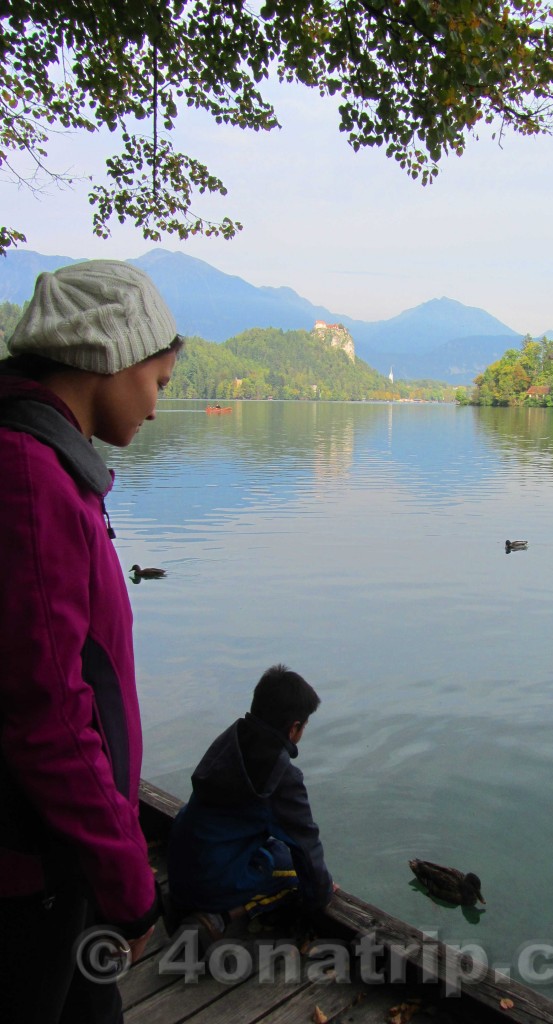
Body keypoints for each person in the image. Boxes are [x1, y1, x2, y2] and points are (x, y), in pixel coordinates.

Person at [0, 260, 182, 1024]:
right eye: (159, 382)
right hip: (31, 866)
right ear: (112, 357)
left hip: (56, 850)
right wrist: (127, 879)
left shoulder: (44, 461)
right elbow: (45, 711)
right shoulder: (27, 476)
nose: (155, 403)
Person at [167, 664, 334, 944]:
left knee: (276, 849)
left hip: (180, 864)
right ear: (294, 727)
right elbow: (306, 846)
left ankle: (188, 902)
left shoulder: (231, 741)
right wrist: (323, 893)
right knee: (294, 870)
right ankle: (220, 918)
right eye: (304, 725)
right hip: (207, 882)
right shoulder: (282, 778)